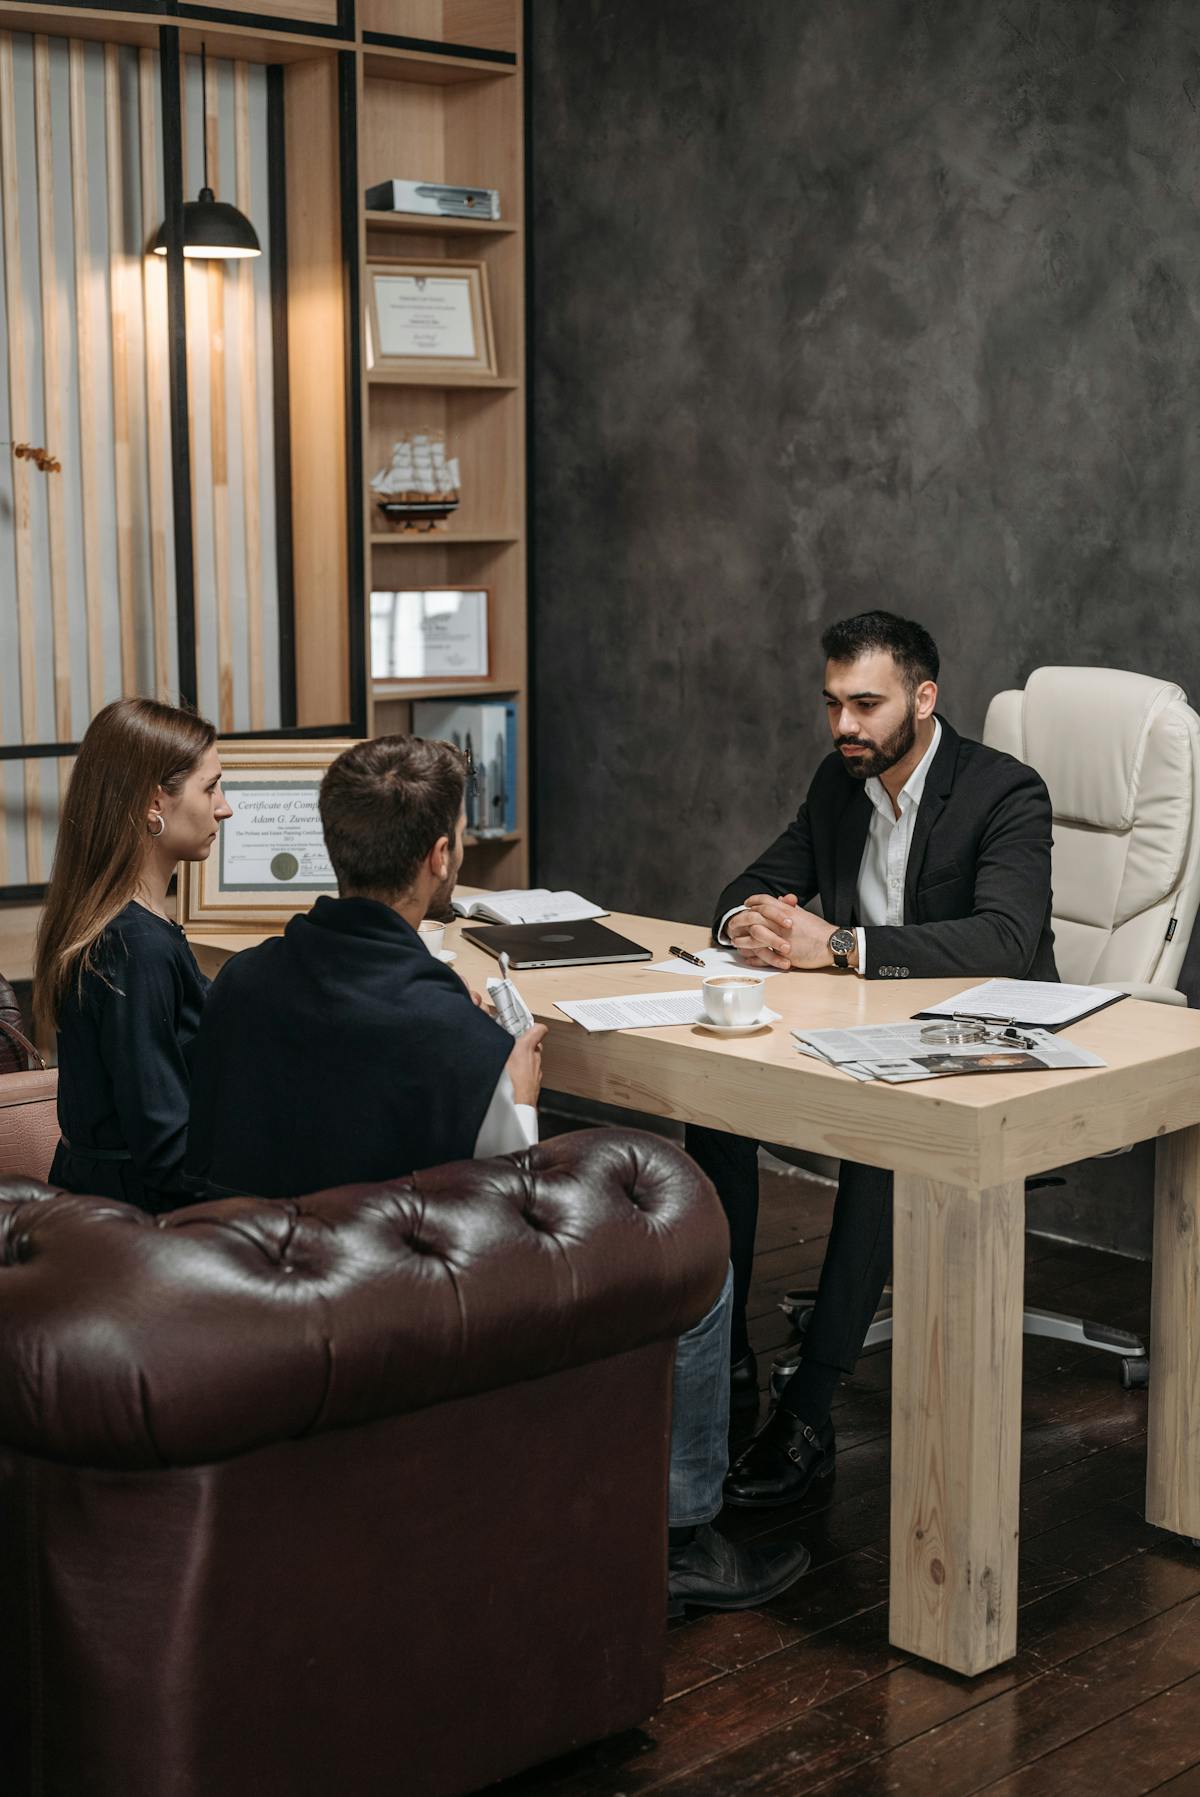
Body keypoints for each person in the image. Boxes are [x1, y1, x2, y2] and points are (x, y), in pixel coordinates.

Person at [187, 734, 810, 1613]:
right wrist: (517, 1104)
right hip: (391, 1314)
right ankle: (678, 1541)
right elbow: (518, 1239)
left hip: (249, 1291)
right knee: (699, 1253)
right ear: (442, 856)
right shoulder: (460, 1042)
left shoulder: (242, 982)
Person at [686, 610, 1057, 1508]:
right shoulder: (839, 783)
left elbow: (1006, 937)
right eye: (832, 703)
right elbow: (744, 889)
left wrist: (843, 946)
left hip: (989, 1038)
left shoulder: (1006, 791)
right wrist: (752, 925)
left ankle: (809, 1415)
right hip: (859, 1025)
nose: (844, 725)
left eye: (866, 703)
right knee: (714, 1100)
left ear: (923, 700)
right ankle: (726, 1359)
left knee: (880, 1142)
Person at [34, 698, 232, 1213]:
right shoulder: (135, 947)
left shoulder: (128, 924)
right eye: (210, 787)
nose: (224, 807)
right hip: (135, 1228)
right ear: (153, 803)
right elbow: (167, 1154)